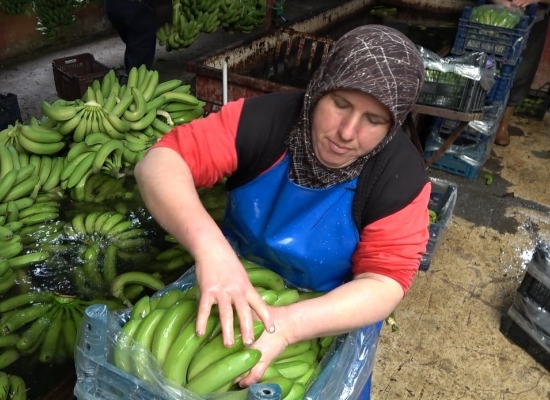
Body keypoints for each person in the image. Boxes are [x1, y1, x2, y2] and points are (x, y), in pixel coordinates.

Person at [134, 25, 431, 398]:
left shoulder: (400, 177)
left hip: (330, 309)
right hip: (229, 274)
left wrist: (289, 325)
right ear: (320, 87)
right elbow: (159, 163)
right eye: (340, 104)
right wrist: (211, 249)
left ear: (394, 124)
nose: (346, 132)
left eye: (373, 120)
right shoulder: (265, 121)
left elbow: (385, 282)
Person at [492, 0, 550, 146]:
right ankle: (479, 121)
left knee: (523, 69)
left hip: (535, 17)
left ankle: (502, 126)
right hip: (496, 12)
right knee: (491, 65)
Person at [103, 0, 157, 81]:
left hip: (111, 5)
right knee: (141, 42)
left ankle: (131, 72)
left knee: (133, 40)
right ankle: (135, 83)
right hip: (135, 5)